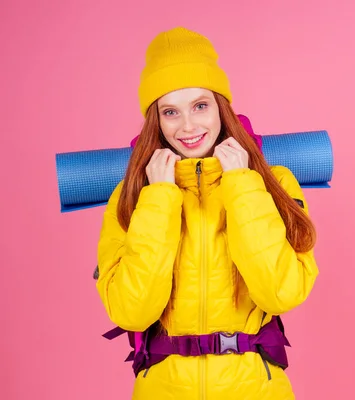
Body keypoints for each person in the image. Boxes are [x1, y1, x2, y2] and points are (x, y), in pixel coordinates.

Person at [95, 26, 319, 400]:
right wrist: (160, 197)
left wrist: (242, 185)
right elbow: (131, 312)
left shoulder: (273, 182)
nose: (188, 126)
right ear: (157, 121)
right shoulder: (133, 195)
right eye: (171, 112)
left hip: (256, 389)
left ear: (221, 107)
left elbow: (281, 293)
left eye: (200, 105)